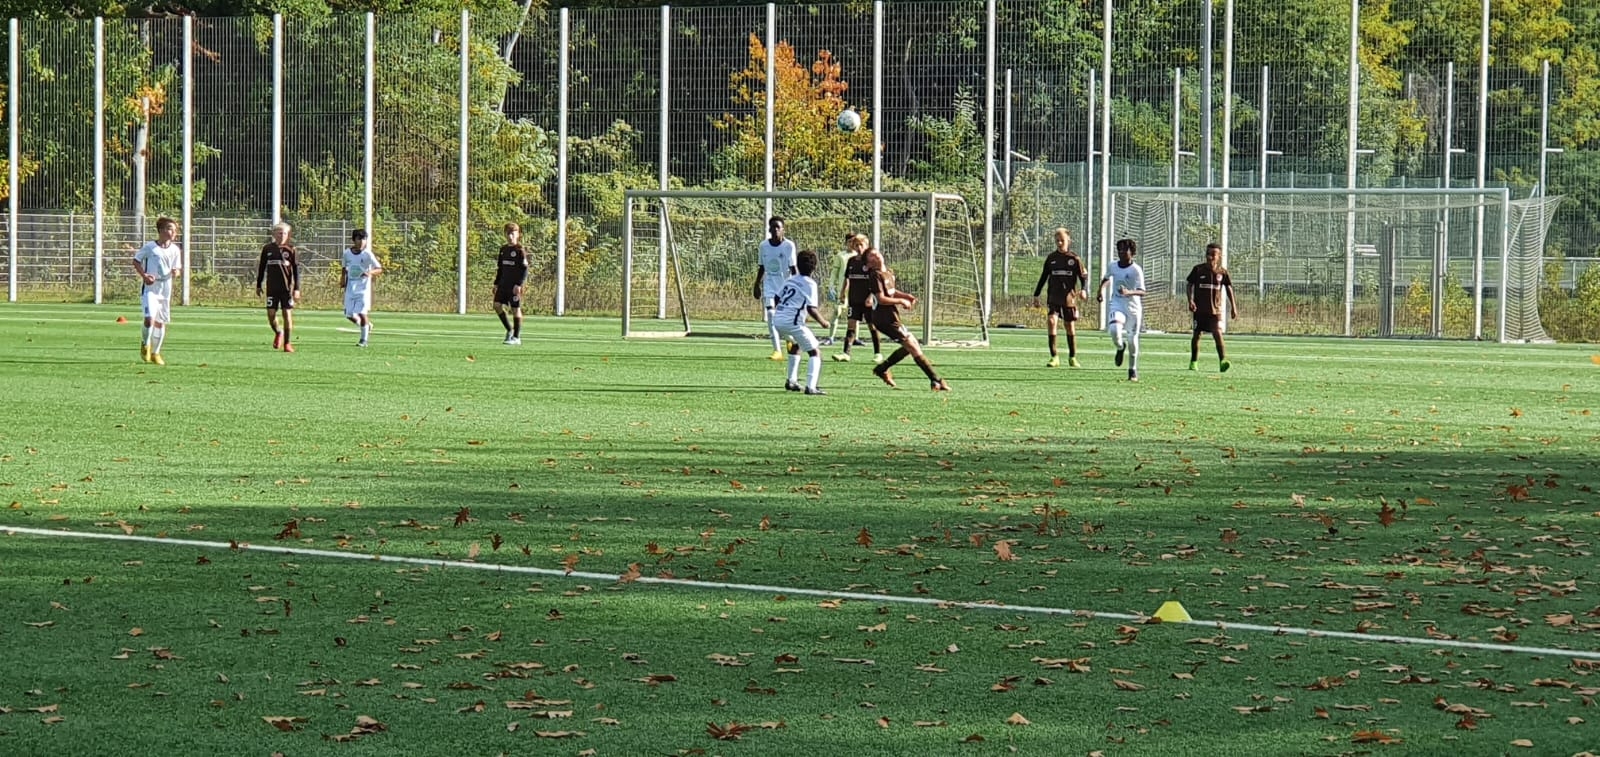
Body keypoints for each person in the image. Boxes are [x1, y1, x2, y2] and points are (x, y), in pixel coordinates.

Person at [865, 247, 950, 391]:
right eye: (871, 256)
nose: (876, 256)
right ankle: (935, 380)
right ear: (869, 264)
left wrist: (905, 296)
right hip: (883, 319)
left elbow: (891, 292)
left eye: (876, 253)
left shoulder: (888, 273)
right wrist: (901, 301)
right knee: (912, 346)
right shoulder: (875, 275)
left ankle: (882, 368)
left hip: (892, 317)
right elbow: (881, 299)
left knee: (910, 345)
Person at [772, 249, 832, 395]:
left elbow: (776, 298)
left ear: (797, 265)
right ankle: (811, 387)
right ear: (814, 267)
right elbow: (811, 309)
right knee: (815, 352)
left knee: (796, 346)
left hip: (777, 320)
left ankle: (791, 381)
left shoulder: (790, 280)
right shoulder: (810, 284)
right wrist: (823, 322)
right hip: (792, 323)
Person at [1032, 227, 1087, 368]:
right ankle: (1054, 356)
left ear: (1068, 240)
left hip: (1069, 298)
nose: (1060, 243)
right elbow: (1043, 277)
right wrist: (1036, 294)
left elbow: (1083, 277)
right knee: (1051, 321)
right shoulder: (1051, 258)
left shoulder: (1074, 259)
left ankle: (1072, 357)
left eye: (1062, 240)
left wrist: (1084, 290)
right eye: (1057, 240)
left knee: (1069, 326)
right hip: (1054, 296)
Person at [131, 217, 182, 366]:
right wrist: (144, 276)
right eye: (170, 229)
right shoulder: (150, 247)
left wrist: (176, 272)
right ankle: (145, 344)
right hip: (151, 289)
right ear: (161, 230)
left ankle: (156, 353)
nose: (173, 232)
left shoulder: (175, 250)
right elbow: (136, 260)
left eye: (174, 230)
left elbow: (177, 268)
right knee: (149, 319)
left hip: (165, 288)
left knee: (160, 322)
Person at [1096, 238, 1146, 382]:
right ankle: (1120, 347)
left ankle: (1132, 370)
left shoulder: (1136, 270)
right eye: (1120, 250)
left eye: (1125, 250)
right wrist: (1100, 290)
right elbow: (1107, 278)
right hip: (1117, 303)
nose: (1122, 252)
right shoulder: (1113, 266)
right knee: (1114, 330)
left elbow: (1142, 291)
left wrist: (1129, 292)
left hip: (1133, 308)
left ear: (1132, 252)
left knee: (1132, 340)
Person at [1187, 242, 1238, 372]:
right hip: (1200, 310)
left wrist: (1233, 306)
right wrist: (1190, 300)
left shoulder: (1222, 272)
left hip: (1215, 310)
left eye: (1213, 254)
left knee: (1217, 333)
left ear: (1219, 256)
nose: (1210, 256)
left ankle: (1223, 361)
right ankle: (1193, 362)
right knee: (1197, 335)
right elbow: (1189, 284)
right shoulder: (1198, 269)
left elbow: (1229, 288)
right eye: (1208, 254)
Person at [832, 232, 882, 363]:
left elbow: (876, 282)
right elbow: (847, 279)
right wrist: (842, 293)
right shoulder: (851, 261)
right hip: (854, 300)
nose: (859, 247)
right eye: (856, 245)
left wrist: (871, 296)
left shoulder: (870, 262)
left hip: (868, 301)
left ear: (867, 246)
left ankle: (878, 353)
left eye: (861, 245)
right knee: (851, 325)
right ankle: (846, 353)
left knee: (872, 326)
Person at [752, 216, 797, 361]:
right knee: (771, 315)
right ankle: (777, 351)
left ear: (783, 229)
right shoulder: (763, 246)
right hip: (770, 285)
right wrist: (756, 284)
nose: (775, 230)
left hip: (785, 287)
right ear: (769, 229)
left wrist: (798, 286)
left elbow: (793, 268)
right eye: (773, 227)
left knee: (783, 320)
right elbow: (762, 267)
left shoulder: (789, 246)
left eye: (778, 227)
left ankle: (789, 338)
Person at [255, 222, 301, 353]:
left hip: (286, 289)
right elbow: (262, 267)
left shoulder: (291, 249)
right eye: (280, 233)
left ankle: (287, 343)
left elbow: (296, 271)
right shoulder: (267, 249)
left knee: (287, 314)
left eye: (285, 233)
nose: (282, 236)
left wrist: (297, 289)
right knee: (271, 315)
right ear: (274, 234)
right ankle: (278, 332)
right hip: (272, 288)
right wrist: (258, 284)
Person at [339, 229, 383, 347]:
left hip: (363, 289)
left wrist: (370, 272)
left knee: (362, 313)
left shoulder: (368, 254)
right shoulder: (347, 253)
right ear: (354, 240)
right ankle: (366, 326)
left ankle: (364, 340)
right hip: (350, 287)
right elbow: (344, 268)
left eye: (364, 239)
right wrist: (342, 279)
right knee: (349, 314)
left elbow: (379, 269)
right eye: (359, 239)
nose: (362, 241)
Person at [493, 222, 530, 345]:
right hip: (503, 284)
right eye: (508, 234)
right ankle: (509, 330)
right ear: (505, 234)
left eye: (513, 234)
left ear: (518, 234)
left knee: (515, 309)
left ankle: (516, 337)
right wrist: (496, 283)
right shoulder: (503, 250)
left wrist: (519, 284)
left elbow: (524, 269)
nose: (510, 236)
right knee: (497, 305)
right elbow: (500, 268)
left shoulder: (520, 250)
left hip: (514, 286)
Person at [821, 232, 854, 346]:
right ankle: (831, 337)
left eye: (853, 242)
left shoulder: (859, 256)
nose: (852, 244)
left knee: (854, 314)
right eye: (849, 242)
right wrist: (831, 286)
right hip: (842, 290)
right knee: (837, 311)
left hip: (855, 290)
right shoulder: (841, 256)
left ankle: (855, 338)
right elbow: (835, 272)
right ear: (846, 243)